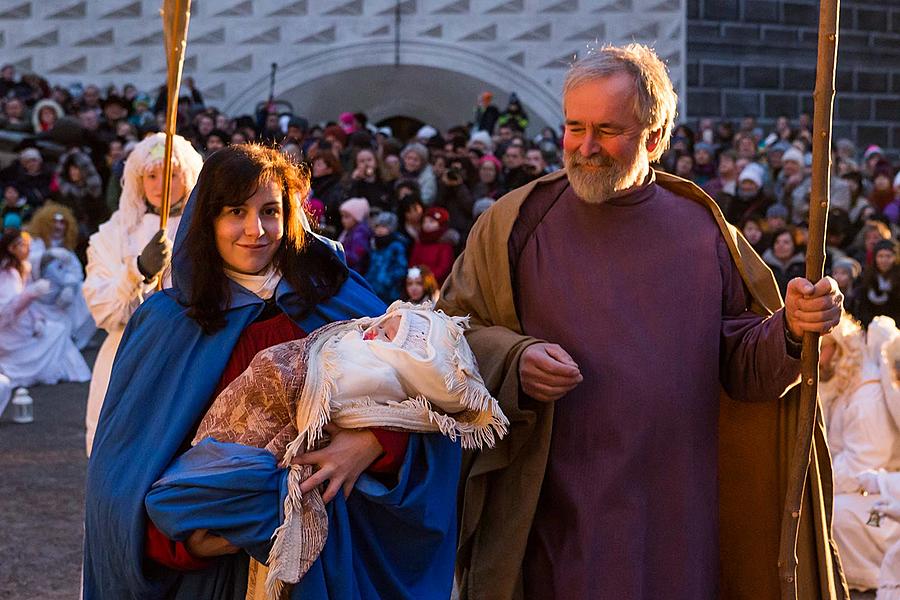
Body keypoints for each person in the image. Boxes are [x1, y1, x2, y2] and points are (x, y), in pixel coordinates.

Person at [439, 43, 846, 599]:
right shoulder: (514, 223)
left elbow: (743, 366)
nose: (585, 147)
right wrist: (514, 360)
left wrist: (793, 328)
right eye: (574, 127)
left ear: (654, 138)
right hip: (549, 514)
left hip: (676, 517)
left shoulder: (701, 228)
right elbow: (443, 338)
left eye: (607, 131)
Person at [83, 144, 461, 600]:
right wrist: (181, 543)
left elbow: (431, 406)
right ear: (207, 220)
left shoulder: (338, 299)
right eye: (234, 211)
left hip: (334, 557)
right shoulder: (166, 323)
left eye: (270, 211)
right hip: (215, 576)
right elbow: (120, 474)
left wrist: (376, 443)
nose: (254, 230)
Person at [82, 133, 203, 455]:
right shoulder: (113, 234)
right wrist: (138, 271)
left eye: (171, 174)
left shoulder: (206, 230)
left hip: (189, 358)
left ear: (187, 176)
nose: (161, 185)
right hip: (127, 357)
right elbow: (105, 311)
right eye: (151, 175)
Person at [825, 316, 900, 592]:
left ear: (841, 350)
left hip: (885, 496)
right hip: (871, 488)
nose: (819, 359)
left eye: (824, 349)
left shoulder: (865, 396)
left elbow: (864, 463)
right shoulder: (848, 387)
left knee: (833, 516)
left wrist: (822, 480)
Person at [0, 231, 91, 388]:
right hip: (11, 331)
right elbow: (7, 310)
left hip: (26, 322)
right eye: (22, 245)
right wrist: (31, 293)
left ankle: (59, 372)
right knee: (56, 332)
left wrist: (37, 319)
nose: (27, 249)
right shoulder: (7, 273)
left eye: (28, 245)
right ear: (11, 248)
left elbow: (29, 304)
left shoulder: (23, 268)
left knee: (59, 330)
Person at [851, 239, 900, 328]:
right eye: (880, 256)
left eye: (888, 256)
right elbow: (862, 307)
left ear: (895, 258)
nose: (884, 260)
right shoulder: (866, 278)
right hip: (871, 327)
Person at [364, 212, 408, 303]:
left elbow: (401, 268)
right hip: (373, 288)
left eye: (384, 226)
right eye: (377, 226)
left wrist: (387, 279)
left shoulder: (397, 246)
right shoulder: (374, 245)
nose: (380, 229)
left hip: (390, 292)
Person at [409, 206, 454, 286]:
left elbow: (443, 268)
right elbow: (413, 262)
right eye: (425, 222)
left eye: (431, 222)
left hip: (437, 285)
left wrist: (426, 278)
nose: (427, 224)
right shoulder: (419, 242)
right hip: (417, 284)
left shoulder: (445, 245)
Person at [337, 197, 371, 275]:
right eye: (342, 216)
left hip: (354, 274)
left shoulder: (361, 234)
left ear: (356, 218)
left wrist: (337, 255)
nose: (343, 220)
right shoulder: (348, 231)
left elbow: (355, 257)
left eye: (347, 217)